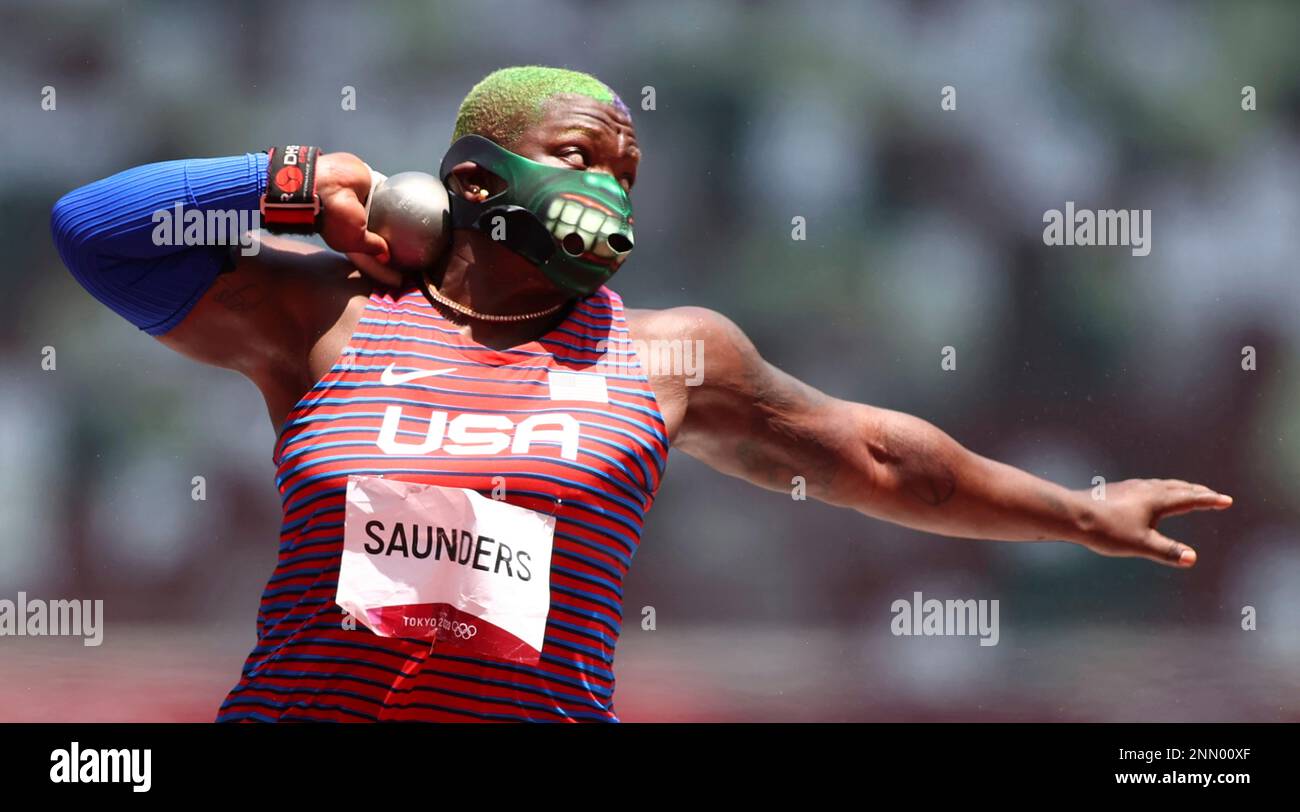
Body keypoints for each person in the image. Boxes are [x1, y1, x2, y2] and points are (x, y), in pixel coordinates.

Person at [50, 66, 1232, 722]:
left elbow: (875, 452)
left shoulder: (668, 354)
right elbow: (93, 233)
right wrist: (292, 181)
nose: (609, 191)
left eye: (626, 172)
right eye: (577, 160)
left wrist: (1078, 511)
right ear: (469, 179)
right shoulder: (330, 316)